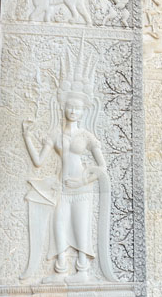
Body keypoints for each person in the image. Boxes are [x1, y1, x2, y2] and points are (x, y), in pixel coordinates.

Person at [20, 46, 117, 283]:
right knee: (59, 226)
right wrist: (27, 137)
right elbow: (38, 162)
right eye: (70, 106)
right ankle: (61, 268)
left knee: (81, 227)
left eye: (77, 108)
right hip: (62, 189)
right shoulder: (55, 134)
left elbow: (102, 168)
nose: (73, 111)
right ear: (63, 107)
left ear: (83, 111)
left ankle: (82, 270)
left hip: (82, 188)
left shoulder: (87, 136)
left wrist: (84, 180)